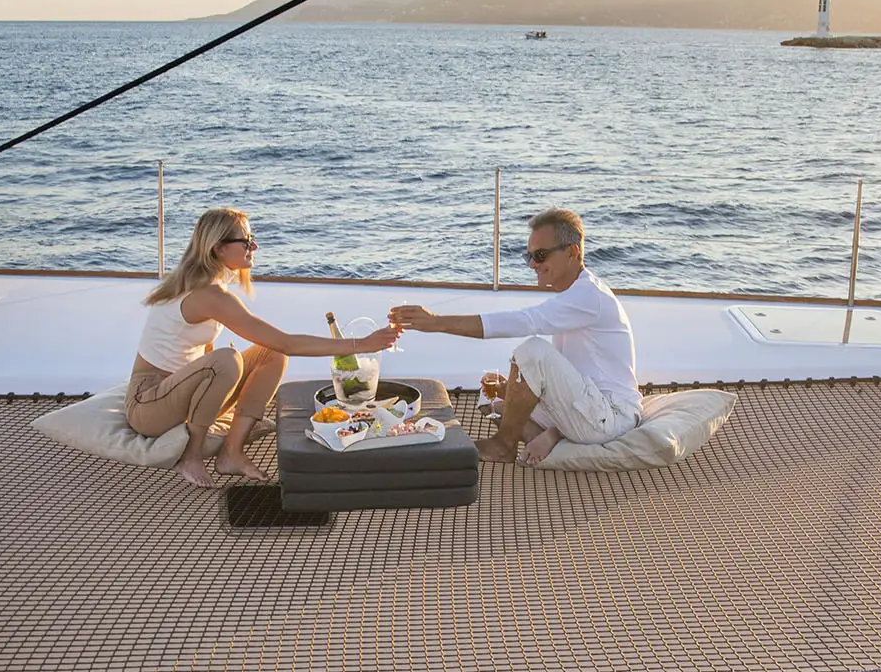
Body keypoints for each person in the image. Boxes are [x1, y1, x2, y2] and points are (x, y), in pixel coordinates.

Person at [130, 207, 399, 487]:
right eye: (245, 241)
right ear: (219, 248)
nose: (254, 246)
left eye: (252, 238)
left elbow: (211, 351)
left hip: (178, 393)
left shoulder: (207, 284)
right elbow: (287, 341)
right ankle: (191, 455)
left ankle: (231, 452)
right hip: (147, 405)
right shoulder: (207, 294)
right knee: (229, 359)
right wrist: (361, 344)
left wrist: (219, 401)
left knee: (271, 354)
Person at [391, 208, 639, 465]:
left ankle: (504, 445)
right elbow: (570, 373)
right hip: (588, 405)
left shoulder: (588, 296)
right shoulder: (573, 296)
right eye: (529, 256)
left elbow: (525, 321)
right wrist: (514, 389)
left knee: (532, 350)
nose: (533, 264)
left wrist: (436, 322)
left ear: (572, 252)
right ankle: (550, 437)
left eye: (540, 255)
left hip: (611, 416)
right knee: (496, 403)